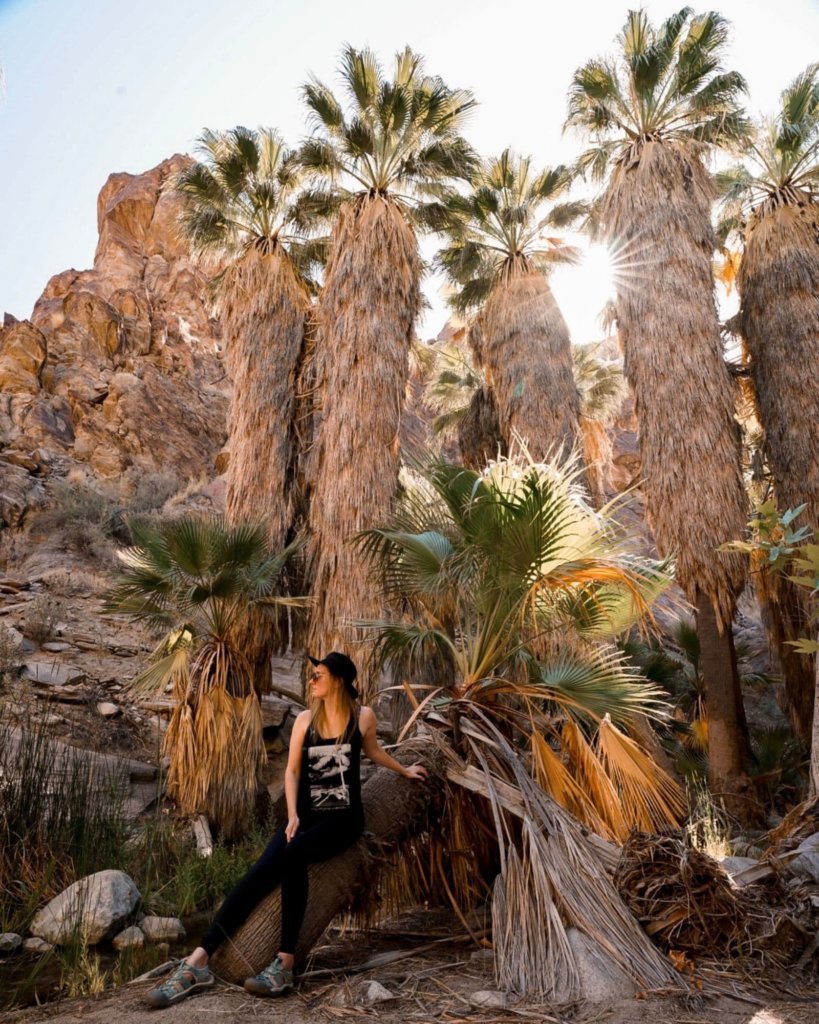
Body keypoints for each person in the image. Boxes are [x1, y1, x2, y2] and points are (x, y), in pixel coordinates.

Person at [146, 651, 427, 1008]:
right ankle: (197, 962)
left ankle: (285, 964)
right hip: (306, 814)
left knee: (294, 854)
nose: (311, 681)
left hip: (343, 820)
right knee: (259, 873)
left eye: (318, 675)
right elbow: (292, 772)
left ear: (338, 680)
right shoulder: (305, 721)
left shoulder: (363, 717)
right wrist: (292, 814)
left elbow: (373, 752)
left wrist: (404, 771)